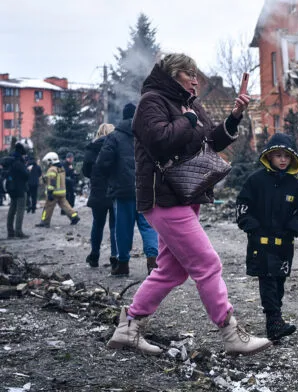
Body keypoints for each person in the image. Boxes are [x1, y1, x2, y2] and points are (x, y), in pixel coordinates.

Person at [107, 52, 271, 356]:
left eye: (195, 75)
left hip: (185, 194)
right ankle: (230, 332)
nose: (195, 80)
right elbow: (159, 140)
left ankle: (128, 327)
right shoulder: (152, 102)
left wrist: (234, 116)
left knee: (171, 270)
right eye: (189, 74)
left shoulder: (189, 104)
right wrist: (188, 119)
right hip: (163, 198)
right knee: (208, 263)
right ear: (173, 75)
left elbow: (211, 141)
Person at [236, 133, 298, 341]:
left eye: (286, 155)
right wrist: (252, 227)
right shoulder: (255, 181)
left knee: (278, 281)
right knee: (267, 279)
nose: (283, 160)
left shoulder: (297, 184)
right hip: (260, 242)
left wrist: (292, 228)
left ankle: (275, 318)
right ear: (269, 157)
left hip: (284, 243)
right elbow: (242, 206)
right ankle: (274, 322)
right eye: (278, 155)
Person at [96, 103, 158, 276]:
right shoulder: (147, 135)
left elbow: (102, 163)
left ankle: (123, 264)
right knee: (148, 226)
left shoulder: (114, 137)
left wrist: (112, 176)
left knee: (123, 227)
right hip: (146, 188)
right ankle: (153, 264)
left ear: (123, 117)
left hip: (123, 190)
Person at [83, 123, 118, 270]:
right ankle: (115, 257)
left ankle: (94, 255)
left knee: (97, 224)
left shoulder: (92, 148)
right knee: (114, 226)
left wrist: (95, 177)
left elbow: (85, 171)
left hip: (98, 192)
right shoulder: (117, 146)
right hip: (114, 190)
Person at [37, 151, 81, 227]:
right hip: (62, 191)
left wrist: (50, 192)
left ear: (51, 160)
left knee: (48, 207)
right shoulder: (61, 168)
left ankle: (44, 222)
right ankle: (74, 216)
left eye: (48, 161)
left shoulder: (52, 169)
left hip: (54, 192)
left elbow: (52, 181)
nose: (48, 163)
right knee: (65, 205)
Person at [4, 143, 30, 238]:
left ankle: (10, 232)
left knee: (12, 210)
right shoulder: (19, 163)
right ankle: (18, 232)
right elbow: (26, 175)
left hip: (11, 189)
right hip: (20, 189)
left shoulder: (10, 161)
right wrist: (28, 169)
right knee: (20, 211)